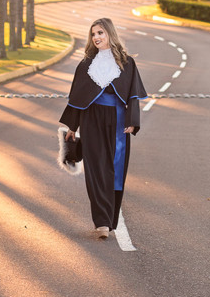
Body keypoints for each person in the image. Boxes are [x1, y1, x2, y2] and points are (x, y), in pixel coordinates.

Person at [59, 17, 148, 239]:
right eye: (93, 34)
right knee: (95, 168)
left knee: (115, 169)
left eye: (100, 33)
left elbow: (133, 96)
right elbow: (77, 97)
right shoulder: (86, 65)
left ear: (110, 34)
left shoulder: (127, 63)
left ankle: (111, 218)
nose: (96, 37)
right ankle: (102, 222)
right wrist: (73, 126)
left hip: (118, 120)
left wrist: (132, 120)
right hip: (91, 120)